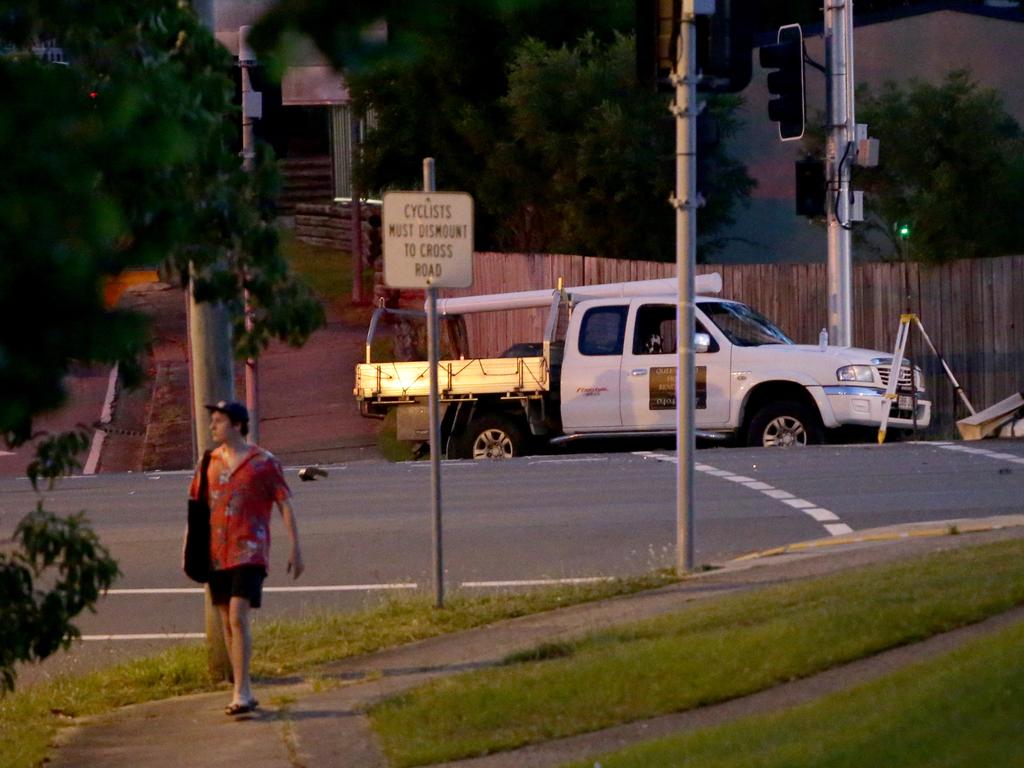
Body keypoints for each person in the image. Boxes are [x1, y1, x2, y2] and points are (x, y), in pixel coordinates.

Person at [188, 400, 304, 715]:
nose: (212, 427)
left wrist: (295, 545)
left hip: (250, 550)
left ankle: (243, 689)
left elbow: (284, 503)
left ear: (237, 425)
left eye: (219, 421)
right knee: (227, 619)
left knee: (238, 614)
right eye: (212, 421)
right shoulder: (208, 462)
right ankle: (241, 690)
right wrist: (189, 547)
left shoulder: (263, 462)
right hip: (216, 553)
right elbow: (197, 509)